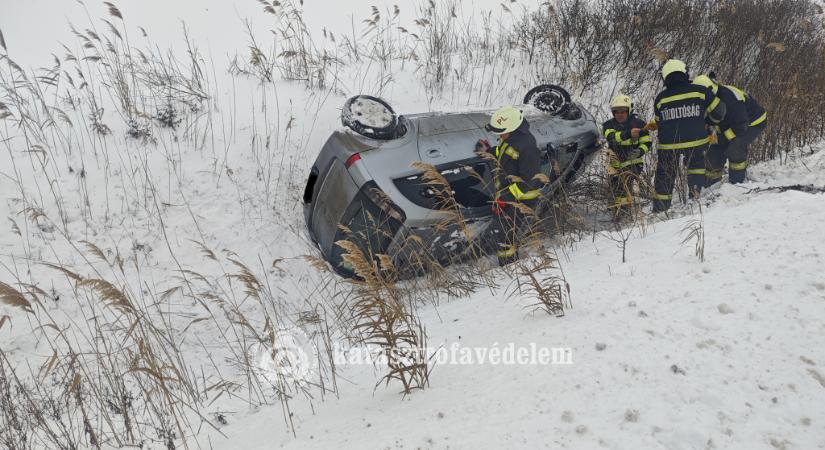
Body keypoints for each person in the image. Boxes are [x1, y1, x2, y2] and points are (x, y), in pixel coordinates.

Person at [648, 59, 726, 212]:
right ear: (685, 73)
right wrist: (708, 121)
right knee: (696, 168)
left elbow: (659, 122)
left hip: (668, 145)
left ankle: (660, 209)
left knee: (665, 174)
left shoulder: (660, 98)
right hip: (696, 142)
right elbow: (720, 111)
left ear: (665, 77)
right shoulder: (700, 91)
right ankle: (694, 201)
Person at [477, 106, 543, 266]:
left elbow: (529, 182)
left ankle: (509, 266)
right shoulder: (512, 139)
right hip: (510, 197)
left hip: (521, 199)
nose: (500, 135)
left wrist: (505, 200)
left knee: (505, 235)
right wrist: (490, 151)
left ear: (513, 128)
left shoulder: (527, 146)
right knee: (505, 231)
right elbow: (505, 152)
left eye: (501, 132)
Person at [693, 74, 767, 184]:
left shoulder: (730, 99)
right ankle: (710, 185)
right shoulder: (706, 98)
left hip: (752, 123)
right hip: (728, 126)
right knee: (713, 154)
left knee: (734, 147)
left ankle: (736, 182)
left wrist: (723, 139)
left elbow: (741, 125)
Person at [602, 94, 651, 217]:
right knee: (616, 188)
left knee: (623, 186)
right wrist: (629, 134)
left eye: (623, 111)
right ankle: (619, 210)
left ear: (629, 111)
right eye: (616, 112)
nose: (619, 114)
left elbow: (647, 142)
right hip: (615, 165)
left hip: (633, 164)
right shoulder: (608, 125)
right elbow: (612, 138)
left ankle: (623, 213)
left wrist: (640, 151)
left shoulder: (640, 124)